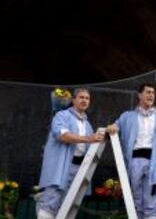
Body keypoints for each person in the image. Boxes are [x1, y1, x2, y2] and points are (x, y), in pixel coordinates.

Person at [106, 82, 156, 219]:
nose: (151, 95)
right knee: (136, 200)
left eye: (153, 93)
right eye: (148, 92)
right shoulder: (127, 116)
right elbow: (114, 126)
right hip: (135, 161)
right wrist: (112, 127)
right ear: (140, 95)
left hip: (155, 162)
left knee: (151, 201)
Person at [37, 88, 105, 219]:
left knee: (67, 206)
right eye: (81, 97)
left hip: (79, 168)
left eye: (87, 98)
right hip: (61, 166)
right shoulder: (62, 115)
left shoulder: (88, 124)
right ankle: (43, 201)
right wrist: (88, 138)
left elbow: (91, 145)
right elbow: (62, 135)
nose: (85, 100)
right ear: (73, 100)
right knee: (50, 204)